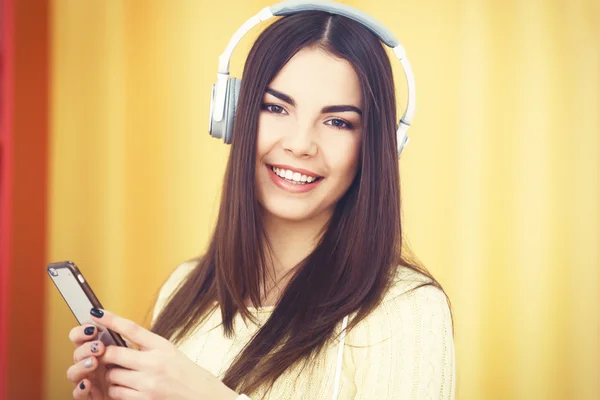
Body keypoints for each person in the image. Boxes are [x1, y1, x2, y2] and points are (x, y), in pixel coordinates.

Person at [66, 3, 455, 400]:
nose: (300, 144)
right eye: (275, 107)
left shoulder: (406, 310)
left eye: (337, 121)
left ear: (375, 146)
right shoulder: (185, 287)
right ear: (235, 116)